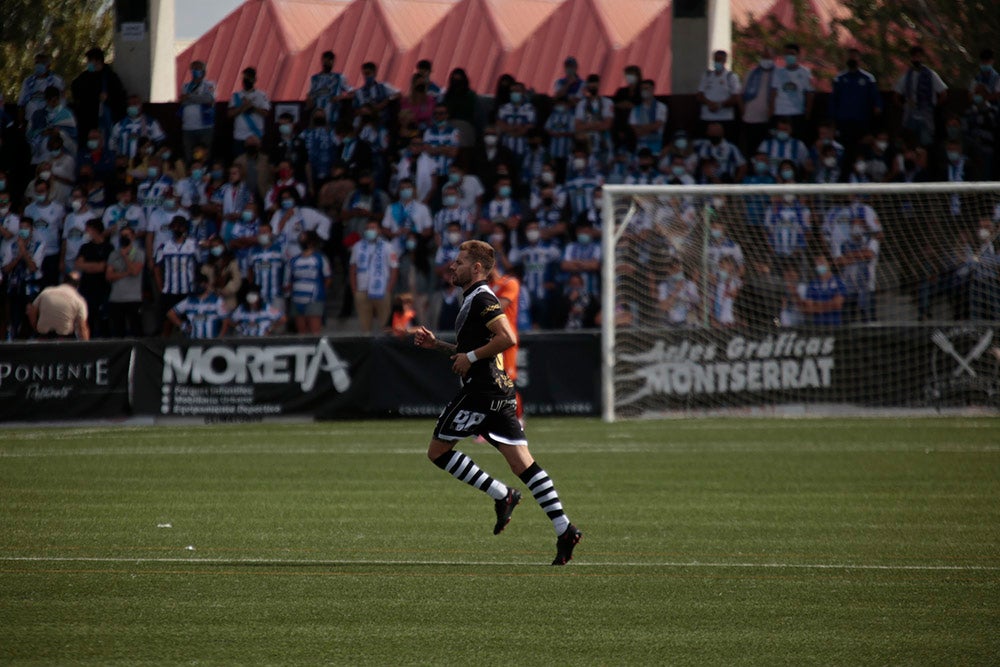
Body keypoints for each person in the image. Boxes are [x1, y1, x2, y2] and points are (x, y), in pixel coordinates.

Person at [412, 240, 581, 565]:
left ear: (476, 268)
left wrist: (471, 355)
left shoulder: (483, 298)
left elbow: (508, 338)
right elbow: (469, 355)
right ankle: (564, 529)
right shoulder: (473, 300)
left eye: (459, 262)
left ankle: (502, 495)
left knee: (437, 452)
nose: (452, 266)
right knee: (523, 465)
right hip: (498, 391)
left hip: (481, 392)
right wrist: (438, 346)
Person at [70, 47, 127, 148]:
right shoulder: (84, 77)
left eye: (90, 61)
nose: (88, 63)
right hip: (87, 120)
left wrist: (108, 99)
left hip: (105, 121)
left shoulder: (110, 78)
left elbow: (120, 99)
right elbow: (75, 90)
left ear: (98, 61)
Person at [894, 45, 947, 146]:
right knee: (910, 142)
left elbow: (943, 93)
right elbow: (896, 95)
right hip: (910, 114)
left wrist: (933, 106)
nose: (917, 59)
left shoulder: (931, 75)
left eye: (919, 56)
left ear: (923, 58)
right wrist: (905, 106)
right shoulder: (906, 76)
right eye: (914, 56)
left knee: (926, 143)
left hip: (926, 114)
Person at [285, 230, 331, 334]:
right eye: (300, 238)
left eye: (303, 238)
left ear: (311, 241)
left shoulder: (320, 258)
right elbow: (290, 281)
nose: (301, 241)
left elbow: (327, 278)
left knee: (315, 331)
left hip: (314, 299)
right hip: (297, 299)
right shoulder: (294, 260)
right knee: (301, 331)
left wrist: (320, 293)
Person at [105, 224, 145, 337]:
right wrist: (126, 273)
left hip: (133, 298)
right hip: (116, 298)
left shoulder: (139, 253)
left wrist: (125, 257)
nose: (124, 238)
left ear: (132, 237)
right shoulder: (113, 254)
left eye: (127, 235)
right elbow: (109, 276)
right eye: (122, 235)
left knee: (136, 329)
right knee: (118, 331)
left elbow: (135, 271)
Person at [26, 270, 89, 340]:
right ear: (78, 285)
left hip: (43, 338)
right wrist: (86, 347)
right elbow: (82, 327)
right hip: (64, 341)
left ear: (63, 281)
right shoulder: (79, 300)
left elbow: (31, 311)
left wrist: (35, 327)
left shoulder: (46, 292)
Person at [696, 50, 741, 142]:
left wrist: (719, 105)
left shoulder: (731, 76)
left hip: (725, 118)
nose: (717, 62)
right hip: (707, 117)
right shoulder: (707, 75)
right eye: (716, 60)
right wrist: (709, 103)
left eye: (720, 60)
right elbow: (699, 95)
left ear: (725, 61)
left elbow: (735, 97)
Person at [179, 60, 217, 161]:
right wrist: (198, 99)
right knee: (189, 155)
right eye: (194, 69)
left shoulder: (209, 85)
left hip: (204, 126)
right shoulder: (185, 86)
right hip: (188, 127)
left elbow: (208, 99)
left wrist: (190, 97)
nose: (196, 71)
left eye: (198, 69)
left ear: (204, 71)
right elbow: (182, 101)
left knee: (204, 155)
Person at [228, 67, 270, 157]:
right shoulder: (236, 96)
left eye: (249, 78)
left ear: (254, 79)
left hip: (256, 135)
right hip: (240, 136)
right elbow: (230, 114)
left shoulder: (262, 95)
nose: (247, 80)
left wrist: (252, 106)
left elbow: (265, 113)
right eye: (245, 78)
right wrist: (243, 107)